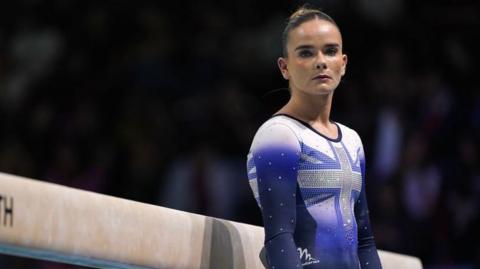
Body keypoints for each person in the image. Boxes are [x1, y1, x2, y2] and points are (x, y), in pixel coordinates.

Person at [246, 6, 382, 269]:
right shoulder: (279, 135)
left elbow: (365, 242)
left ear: (343, 64)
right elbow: (278, 237)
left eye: (330, 51)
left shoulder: (352, 141)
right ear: (284, 67)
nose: (321, 61)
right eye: (306, 52)